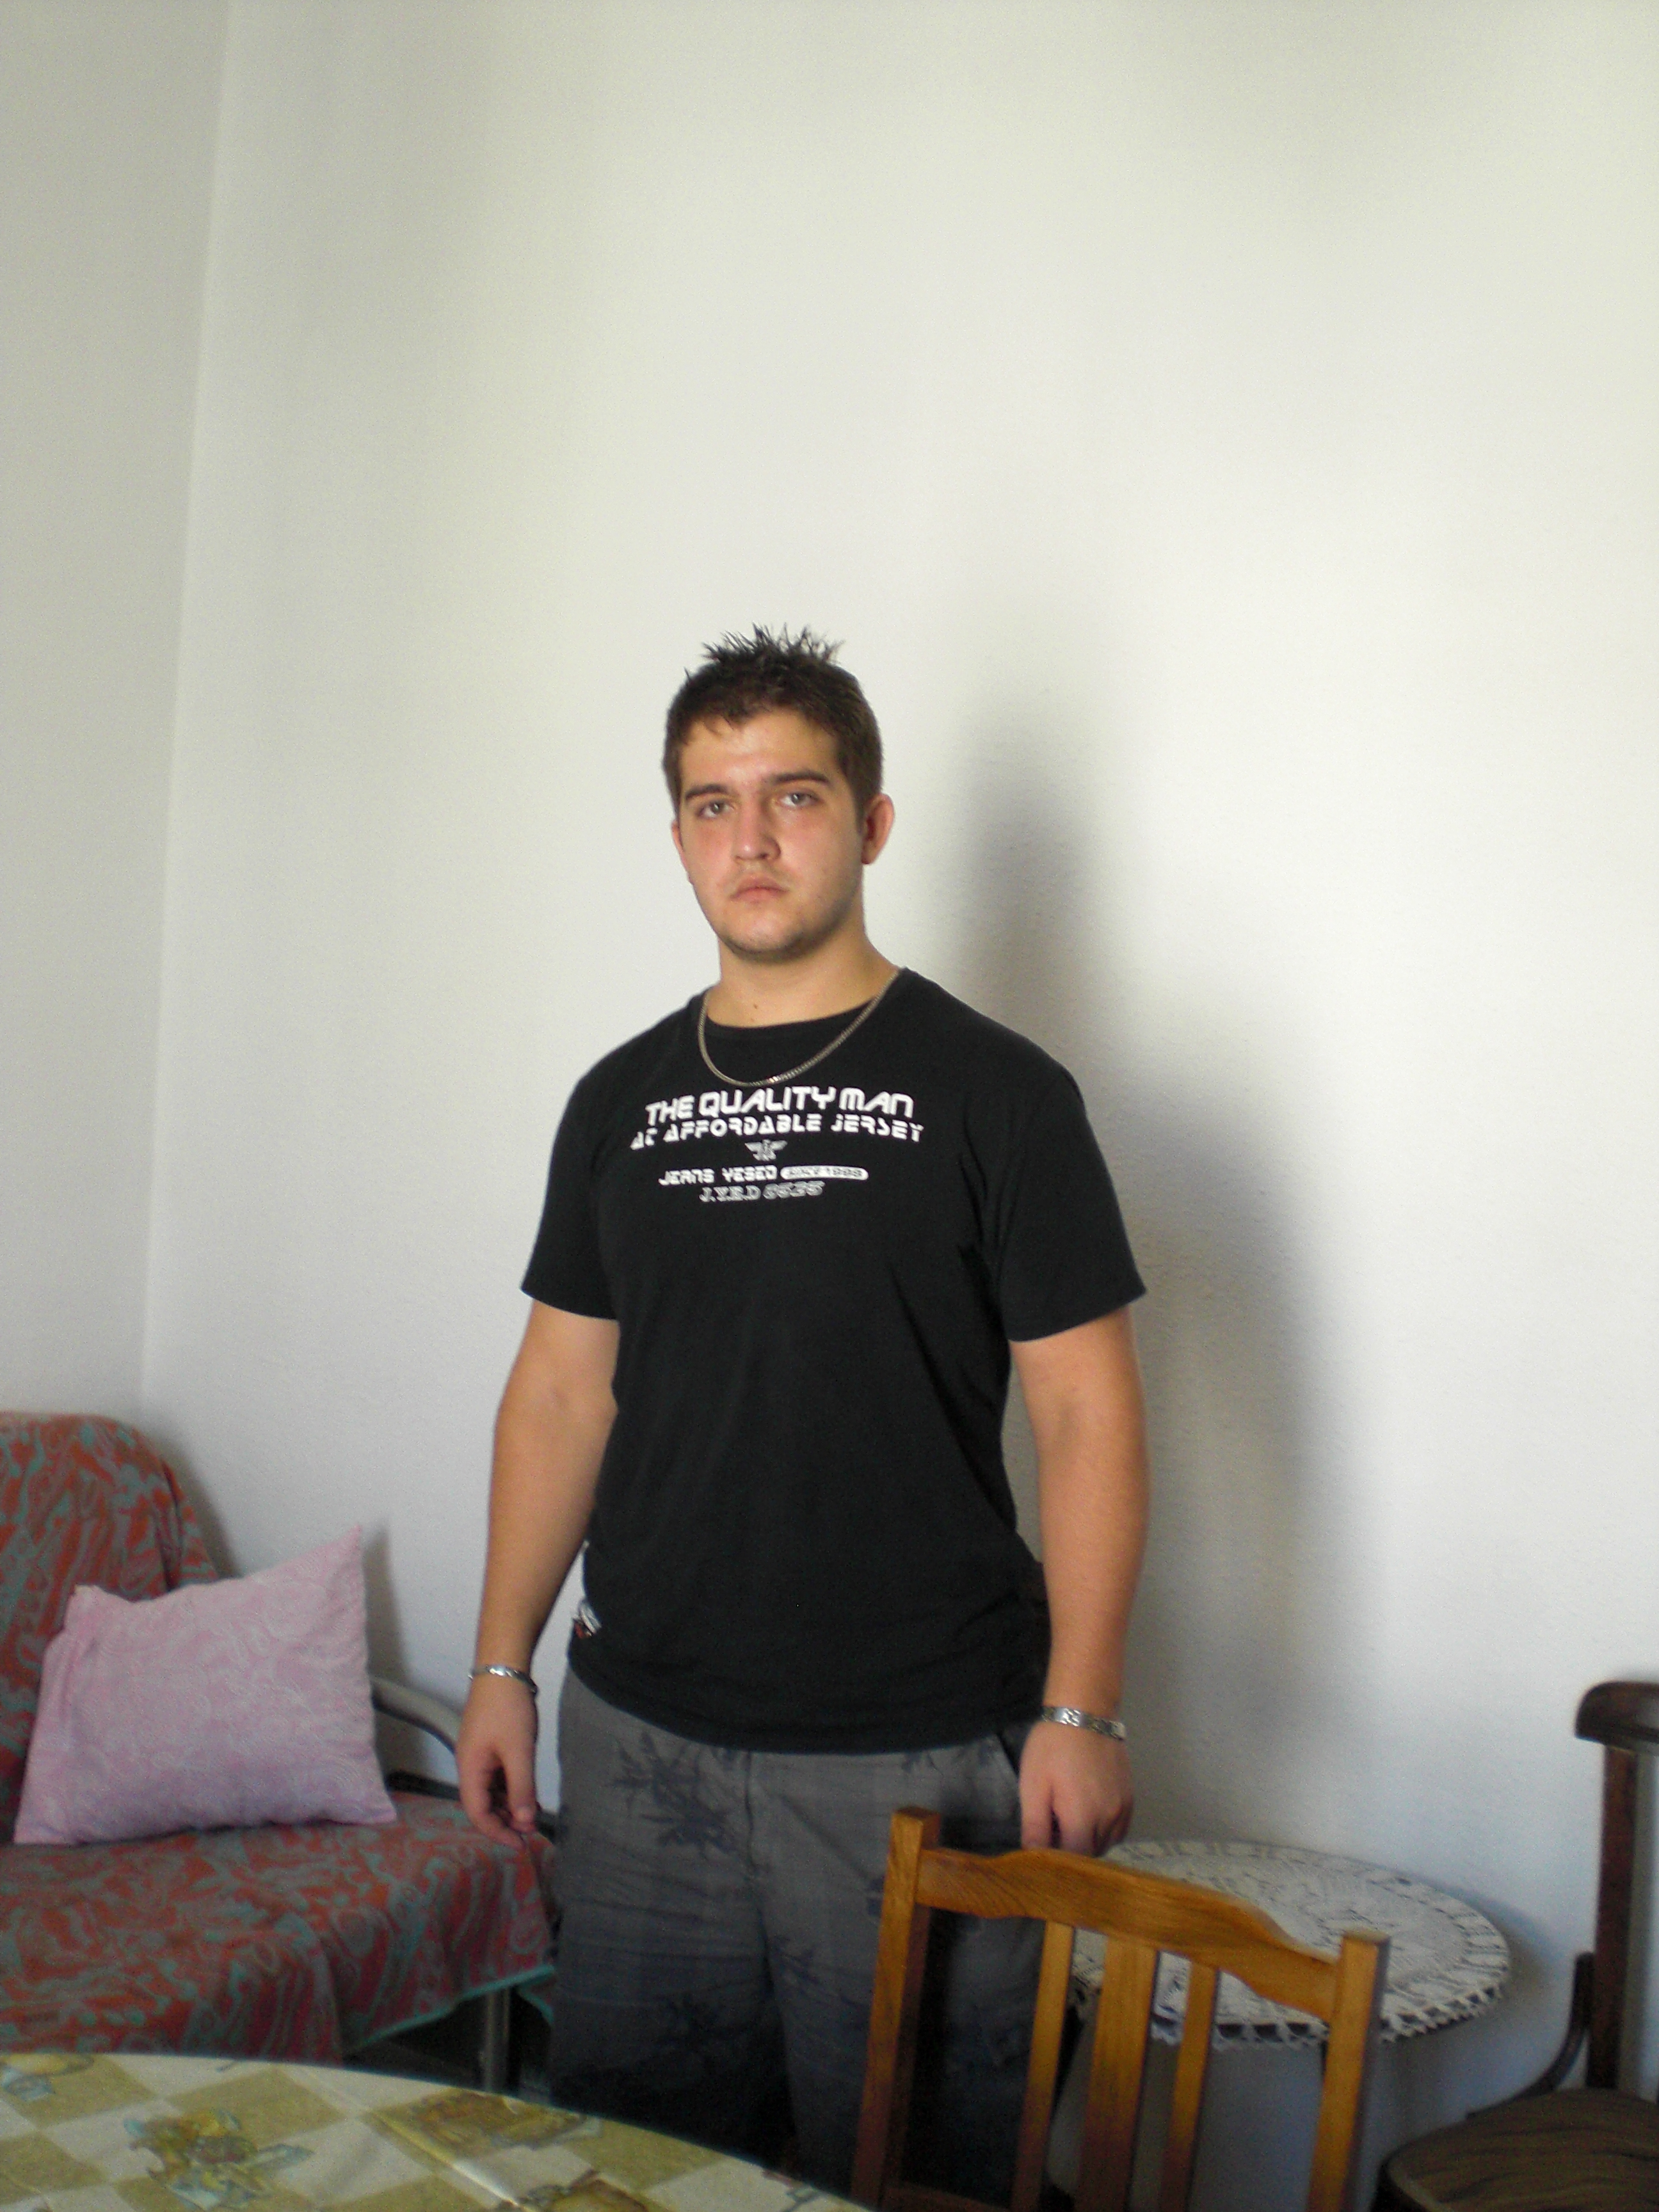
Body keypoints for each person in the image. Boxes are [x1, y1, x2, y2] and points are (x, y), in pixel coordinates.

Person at [457, 629, 1148, 2195]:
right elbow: (560, 1393)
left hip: (918, 1752)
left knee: (924, 2174)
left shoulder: (1001, 1093)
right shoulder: (619, 1101)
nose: (752, 840)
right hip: (644, 1740)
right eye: (713, 804)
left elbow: (1088, 1415)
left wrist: (1085, 1707)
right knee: (639, 2171)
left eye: (795, 797)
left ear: (873, 823)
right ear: (679, 836)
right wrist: (500, 1665)